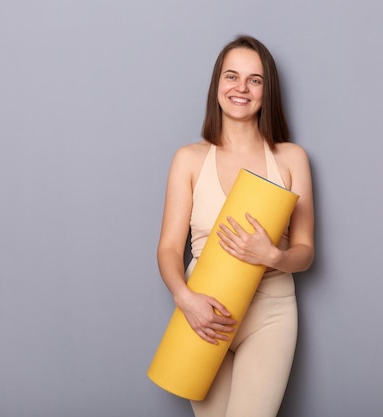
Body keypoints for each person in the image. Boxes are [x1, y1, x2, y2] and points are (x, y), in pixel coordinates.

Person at [156, 35, 314, 417]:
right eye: (232, 76)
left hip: (270, 311)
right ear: (217, 86)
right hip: (204, 309)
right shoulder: (189, 159)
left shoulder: (291, 158)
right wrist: (185, 297)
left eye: (255, 80)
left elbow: (306, 253)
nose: (241, 88)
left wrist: (273, 255)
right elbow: (168, 248)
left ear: (266, 91)